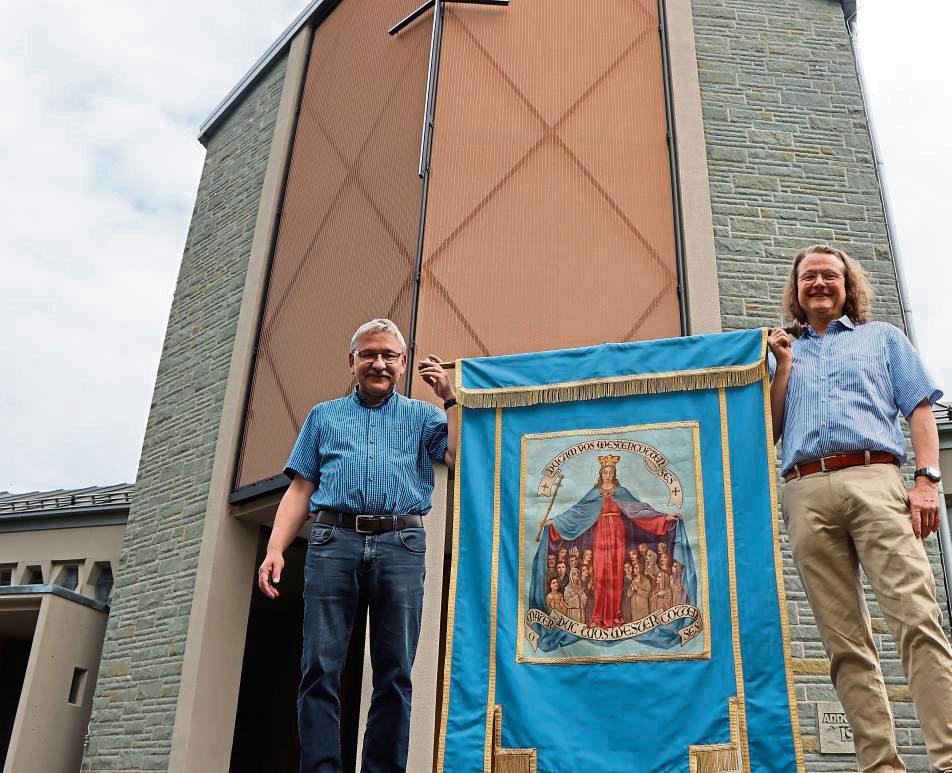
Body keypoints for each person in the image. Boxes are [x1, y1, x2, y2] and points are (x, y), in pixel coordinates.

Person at [768, 245, 952, 773]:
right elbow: (771, 428)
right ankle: (879, 766)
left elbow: (918, 408)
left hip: (875, 478)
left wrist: (926, 481)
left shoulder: (883, 338)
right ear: (797, 290)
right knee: (843, 643)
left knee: (916, 620)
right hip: (804, 488)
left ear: (848, 286)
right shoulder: (783, 351)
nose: (819, 283)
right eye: (809, 276)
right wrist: (781, 367)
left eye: (830, 275)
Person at [256, 319, 457, 773]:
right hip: (333, 540)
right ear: (352, 362)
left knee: (395, 672)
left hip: (401, 543)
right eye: (369, 354)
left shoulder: (425, 417)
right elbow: (300, 489)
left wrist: (449, 397)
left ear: (403, 364)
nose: (378, 363)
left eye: (388, 355)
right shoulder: (322, 416)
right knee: (320, 668)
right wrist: (275, 549)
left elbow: (454, 453)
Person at [537, 456, 679, 628]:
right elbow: (576, 511)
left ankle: (616, 615)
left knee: (616, 575)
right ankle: (597, 617)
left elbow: (640, 510)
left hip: (618, 534)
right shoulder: (594, 493)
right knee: (601, 574)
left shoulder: (621, 491)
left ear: (614, 473)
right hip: (601, 533)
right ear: (600, 473)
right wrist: (556, 521)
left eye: (611, 472)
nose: (608, 474)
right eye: (605, 472)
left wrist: (664, 517)